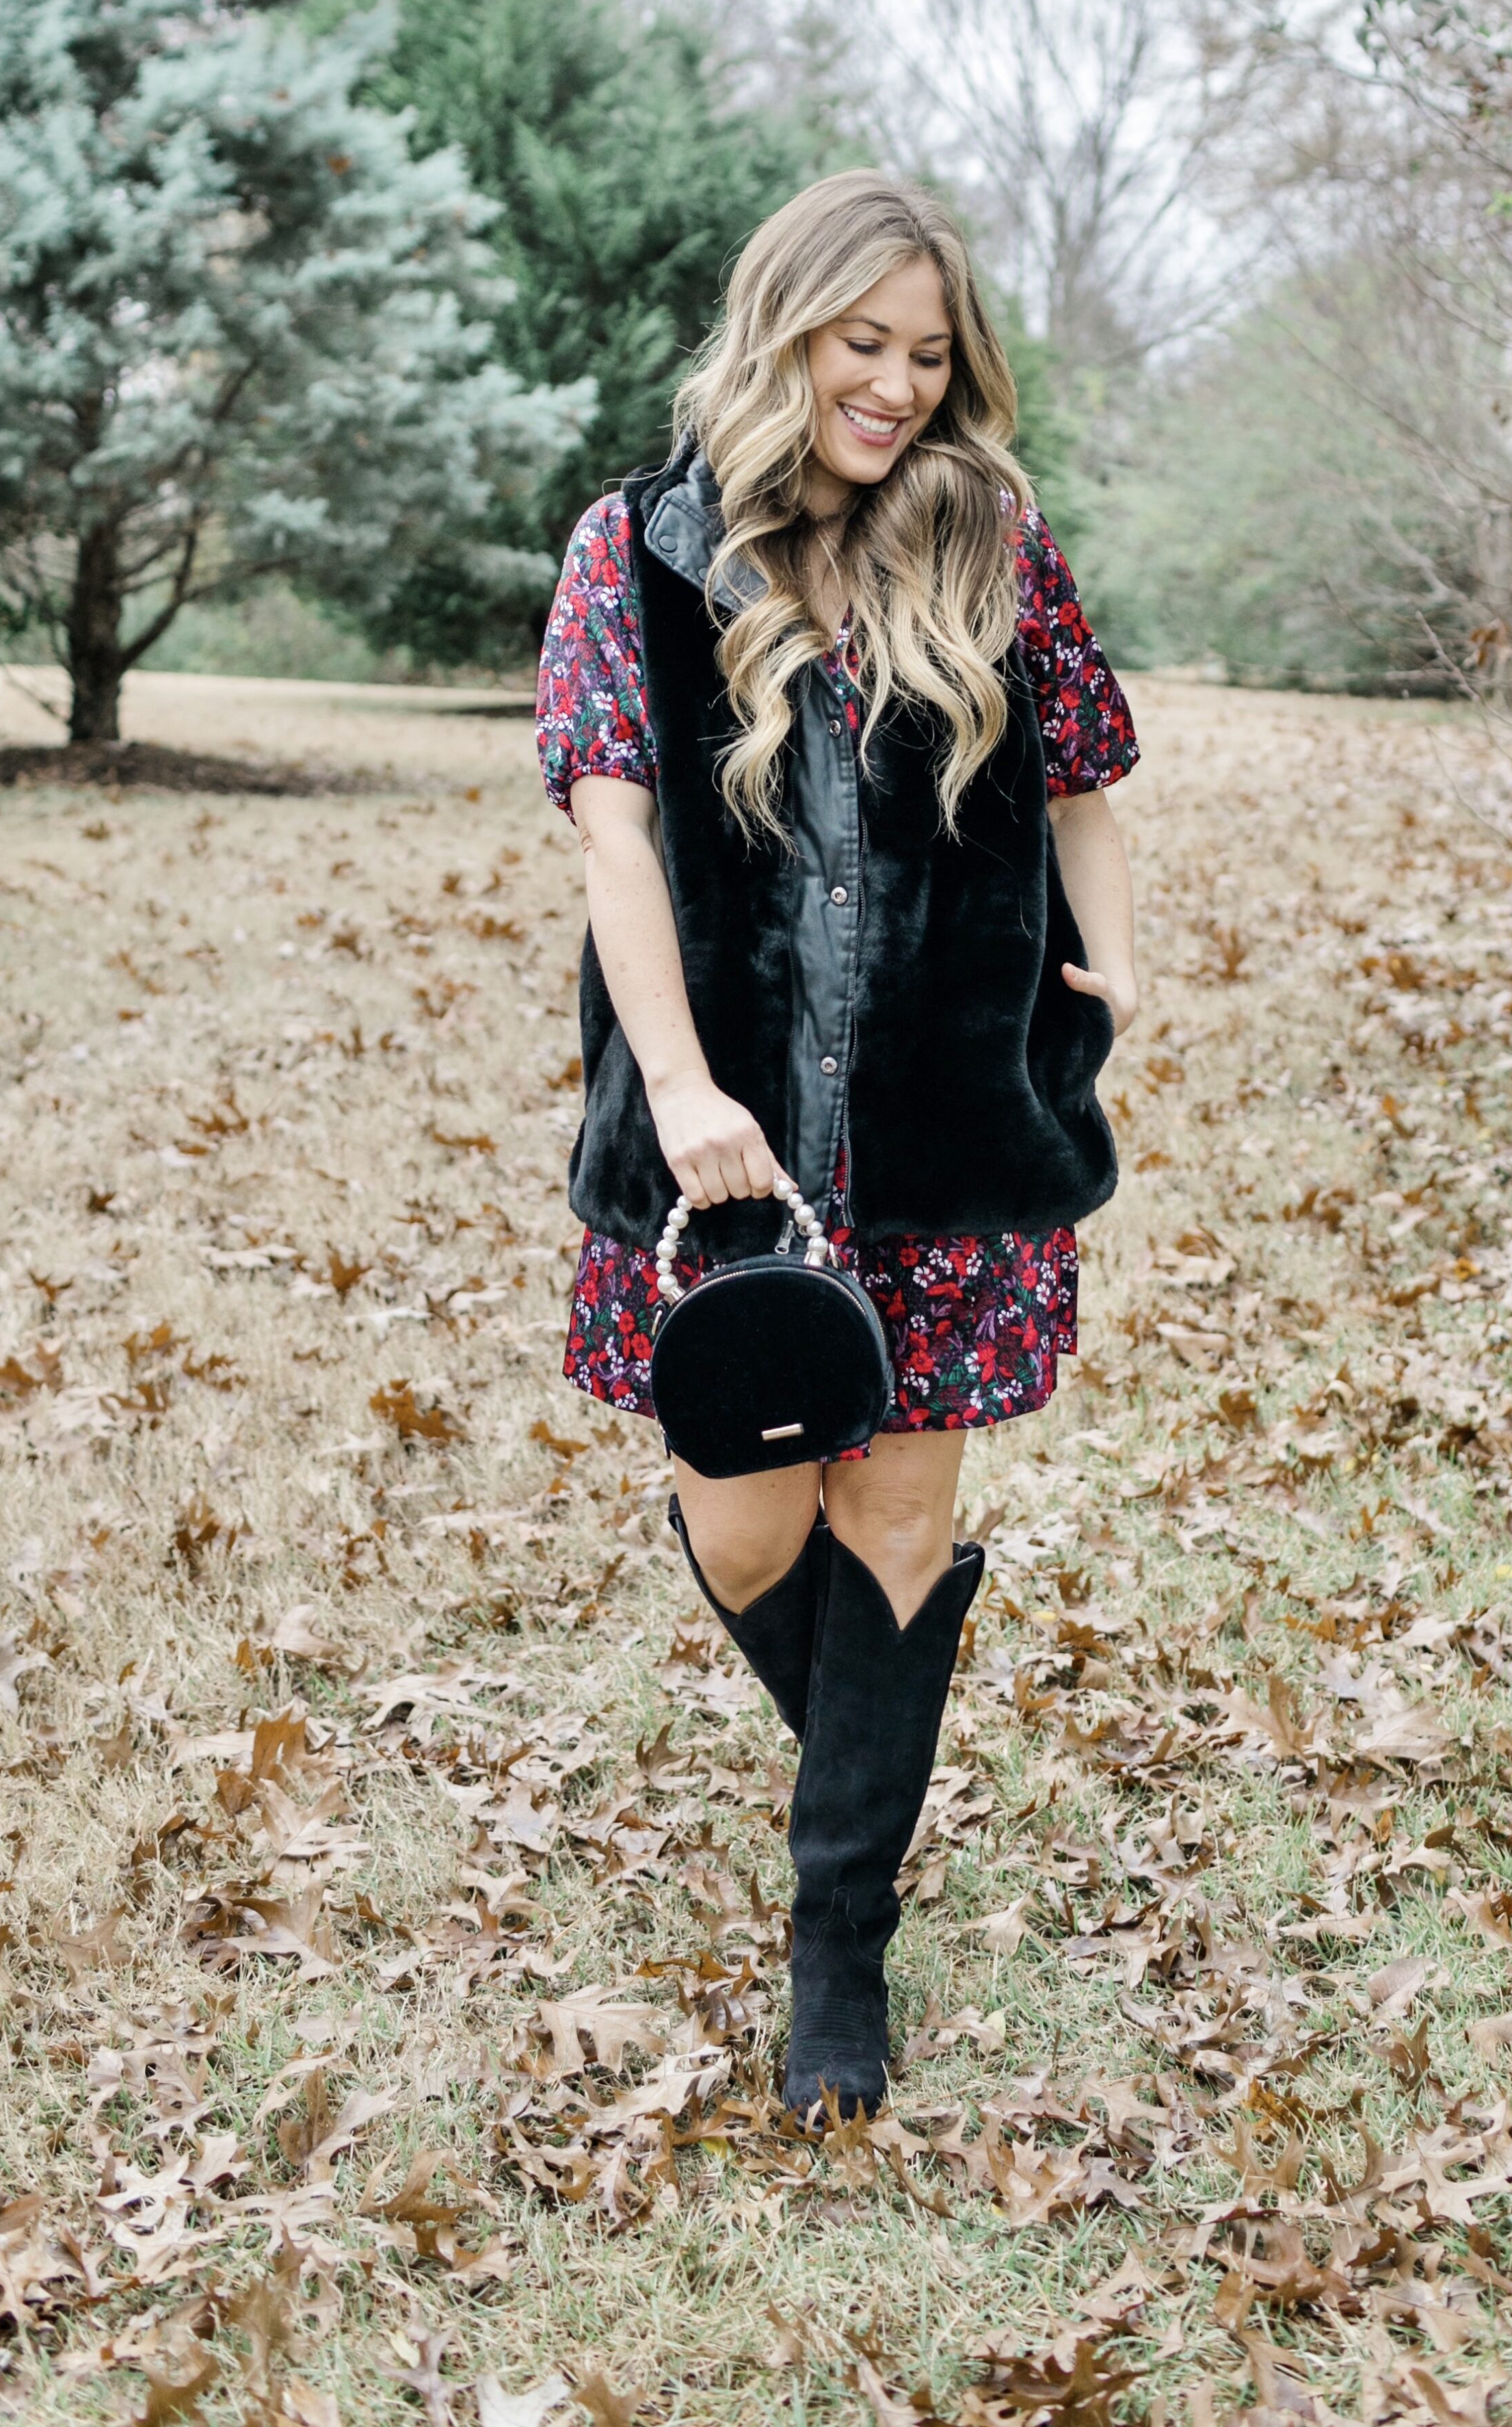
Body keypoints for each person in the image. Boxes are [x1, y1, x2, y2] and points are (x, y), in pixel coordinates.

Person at [534, 170, 1138, 2119]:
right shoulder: (635, 551)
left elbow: (1082, 767)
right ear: (782, 329)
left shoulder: (990, 538)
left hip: (951, 1125)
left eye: (927, 355)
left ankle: (838, 1964)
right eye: (859, 344)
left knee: (899, 1524)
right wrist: (687, 1081)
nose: (891, 387)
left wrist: (1109, 974)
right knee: (748, 1518)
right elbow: (615, 830)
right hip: (730, 1154)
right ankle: (866, 1776)